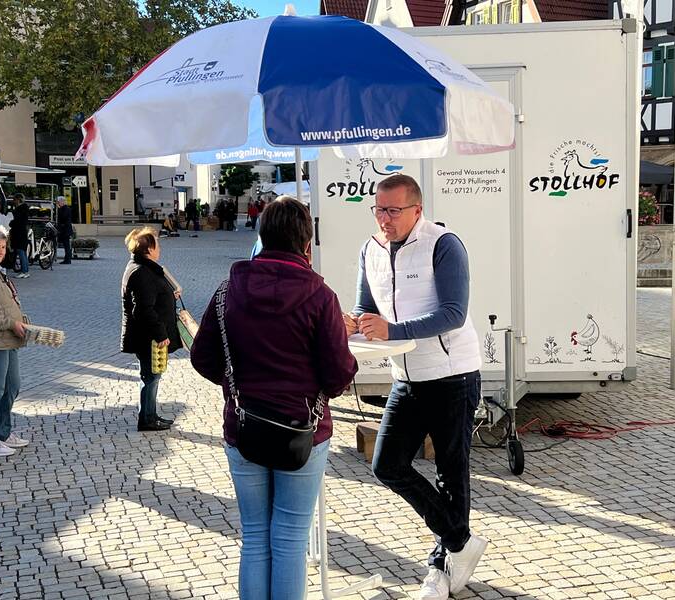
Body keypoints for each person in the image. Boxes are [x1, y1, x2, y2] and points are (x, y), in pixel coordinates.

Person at [191, 196, 357, 600]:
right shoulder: (321, 297)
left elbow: (202, 357)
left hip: (244, 424)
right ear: (306, 242)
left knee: (255, 537)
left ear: (262, 235)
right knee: (289, 540)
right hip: (304, 430)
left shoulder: (228, 290)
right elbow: (338, 375)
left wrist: (236, 386)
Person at [344, 174, 486, 599]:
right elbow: (365, 307)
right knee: (386, 464)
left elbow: (454, 313)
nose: (383, 219)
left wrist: (395, 329)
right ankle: (460, 540)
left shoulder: (444, 245)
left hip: (452, 375)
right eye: (378, 209)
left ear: (416, 210)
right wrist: (357, 323)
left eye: (392, 210)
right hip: (405, 377)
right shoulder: (369, 249)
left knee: (450, 474)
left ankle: (440, 571)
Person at [120, 227, 182, 432]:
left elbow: (153, 296)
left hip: (148, 334)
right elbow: (143, 310)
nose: (160, 248)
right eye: (157, 244)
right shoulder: (140, 272)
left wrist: (168, 295)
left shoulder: (145, 267)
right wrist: (160, 334)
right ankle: (147, 419)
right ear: (148, 249)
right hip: (147, 336)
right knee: (150, 377)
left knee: (152, 375)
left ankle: (150, 414)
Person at [0, 225, 29, 457]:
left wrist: (21, 321)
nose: (0, 250)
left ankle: (3, 432)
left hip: (10, 339)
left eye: (3, 246)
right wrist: (11, 323)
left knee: (12, 387)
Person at [9, 194, 29, 279]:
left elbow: (17, 221)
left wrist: (11, 223)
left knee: (21, 252)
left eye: (14, 199)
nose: (13, 201)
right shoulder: (24, 209)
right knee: (23, 252)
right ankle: (26, 271)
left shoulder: (20, 210)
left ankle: (24, 271)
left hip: (19, 233)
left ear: (18, 200)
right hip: (22, 233)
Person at [56, 196, 73, 264]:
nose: (58, 203)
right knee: (66, 245)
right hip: (65, 229)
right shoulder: (64, 208)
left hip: (66, 230)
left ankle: (68, 260)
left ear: (62, 202)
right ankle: (67, 259)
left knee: (66, 245)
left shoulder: (66, 208)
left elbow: (63, 217)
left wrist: (59, 209)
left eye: (58, 202)